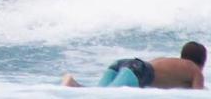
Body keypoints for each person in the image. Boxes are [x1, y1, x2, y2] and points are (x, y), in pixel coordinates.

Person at [61, 41, 206, 89]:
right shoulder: (195, 71)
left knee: (95, 93)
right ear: (202, 62)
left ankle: (72, 84)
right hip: (138, 71)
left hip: (124, 64)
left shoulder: (171, 63)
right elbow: (196, 95)